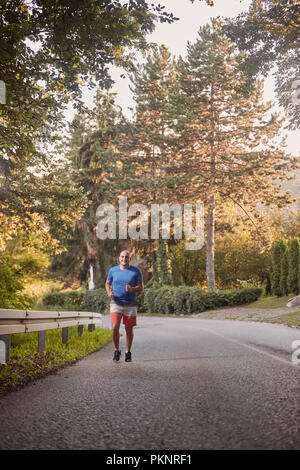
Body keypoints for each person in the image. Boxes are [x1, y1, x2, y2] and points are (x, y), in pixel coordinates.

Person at [105, 250, 143, 362]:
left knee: (128, 329)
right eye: (122, 257)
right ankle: (117, 350)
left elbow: (141, 287)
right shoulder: (113, 270)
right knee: (114, 327)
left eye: (126, 257)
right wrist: (109, 292)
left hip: (130, 304)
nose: (124, 259)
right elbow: (107, 283)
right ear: (119, 258)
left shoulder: (136, 271)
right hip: (116, 302)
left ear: (129, 259)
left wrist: (132, 289)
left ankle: (128, 352)